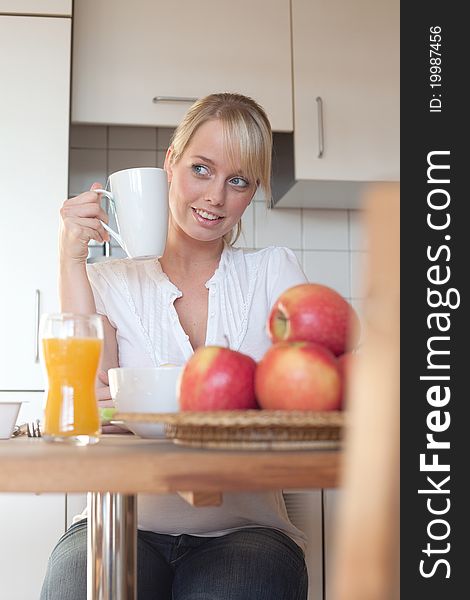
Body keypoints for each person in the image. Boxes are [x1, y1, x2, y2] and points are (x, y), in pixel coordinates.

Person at [40, 93, 309, 600]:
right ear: (170, 163)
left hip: (246, 529)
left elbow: (315, 386)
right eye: (201, 169)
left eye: (239, 181)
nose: (215, 197)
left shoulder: (274, 271)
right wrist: (70, 259)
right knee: (82, 585)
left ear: (252, 192)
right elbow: (91, 399)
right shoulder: (110, 280)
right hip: (120, 520)